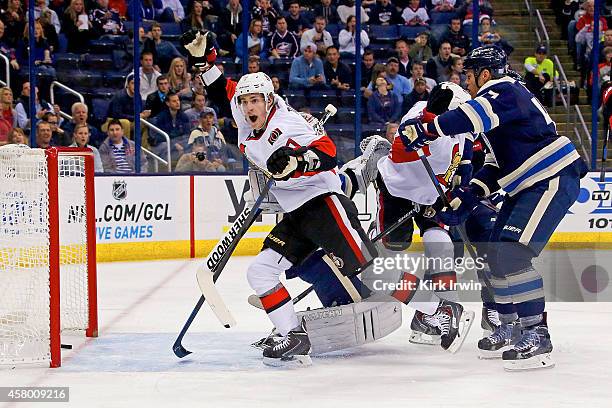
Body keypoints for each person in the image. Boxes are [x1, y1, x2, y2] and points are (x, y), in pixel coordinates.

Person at [181, 29, 471, 365]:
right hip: (296, 214)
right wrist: (203, 62)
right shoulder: (246, 119)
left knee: (369, 273)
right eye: (245, 103)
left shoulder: (288, 125)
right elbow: (223, 91)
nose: (247, 108)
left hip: (324, 203)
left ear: (269, 101)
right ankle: (293, 337)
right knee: (259, 272)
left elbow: (328, 151)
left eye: (254, 101)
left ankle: (442, 310)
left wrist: (298, 160)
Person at [399, 45, 589, 370]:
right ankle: (511, 325)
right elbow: (495, 168)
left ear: (484, 74)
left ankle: (536, 333)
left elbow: (468, 115)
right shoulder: (499, 112)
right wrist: (466, 197)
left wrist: (427, 130)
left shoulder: (504, 90)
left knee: (514, 254)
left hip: (551, 176)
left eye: (469, 76)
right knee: (494, 254)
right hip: (528, 182)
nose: (468, 83)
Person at [150, 92, 191, 158]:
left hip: (180, 143)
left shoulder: (184, 116)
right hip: (164, 143)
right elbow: (160, 137)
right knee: (165, 145)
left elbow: (186, 134)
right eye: (174, 101)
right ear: (168, 103)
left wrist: (180, 144)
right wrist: (174, 144)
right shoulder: (161, 117)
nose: (177, 103)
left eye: (178, 100)